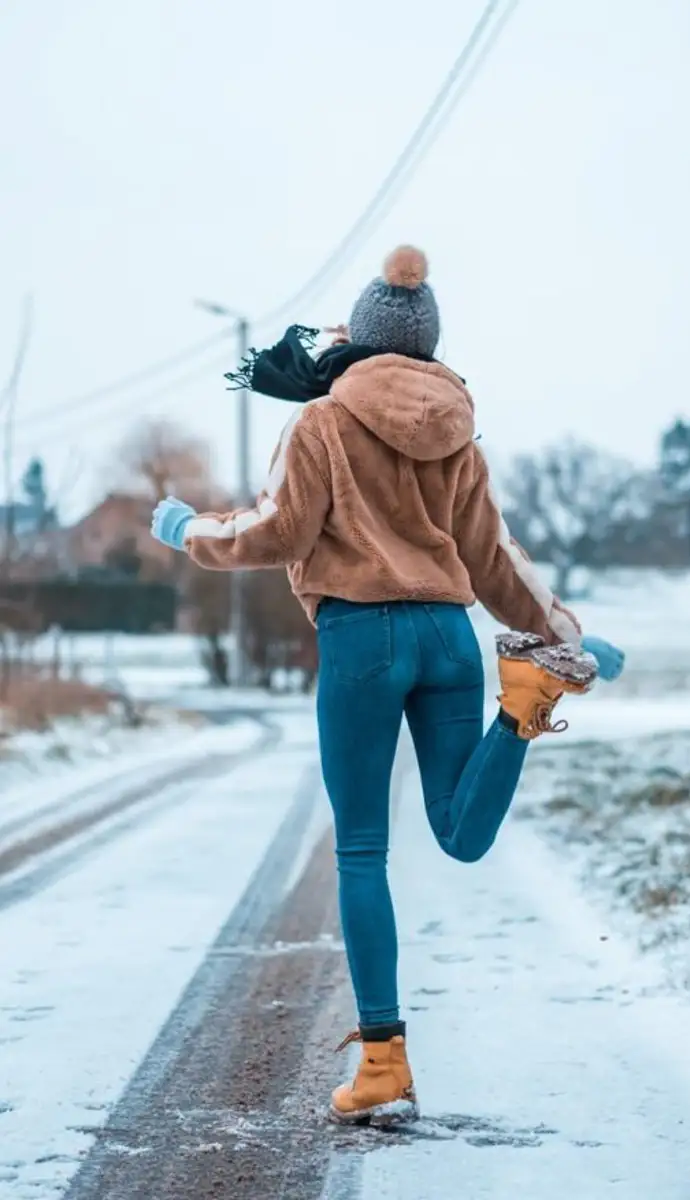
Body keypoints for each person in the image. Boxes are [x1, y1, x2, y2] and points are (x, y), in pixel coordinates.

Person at [150, 246, 625, 1127]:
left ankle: (381, 1066)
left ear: (361, 342)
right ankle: (522, 704)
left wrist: (189, 530)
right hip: (449, 638)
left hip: (362, 639)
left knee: (362, 853)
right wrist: (566, 634)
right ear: (427, 347)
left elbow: (275, 529)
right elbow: (495, 559)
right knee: (459, 833)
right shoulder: (459, 431)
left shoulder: (324, 422)